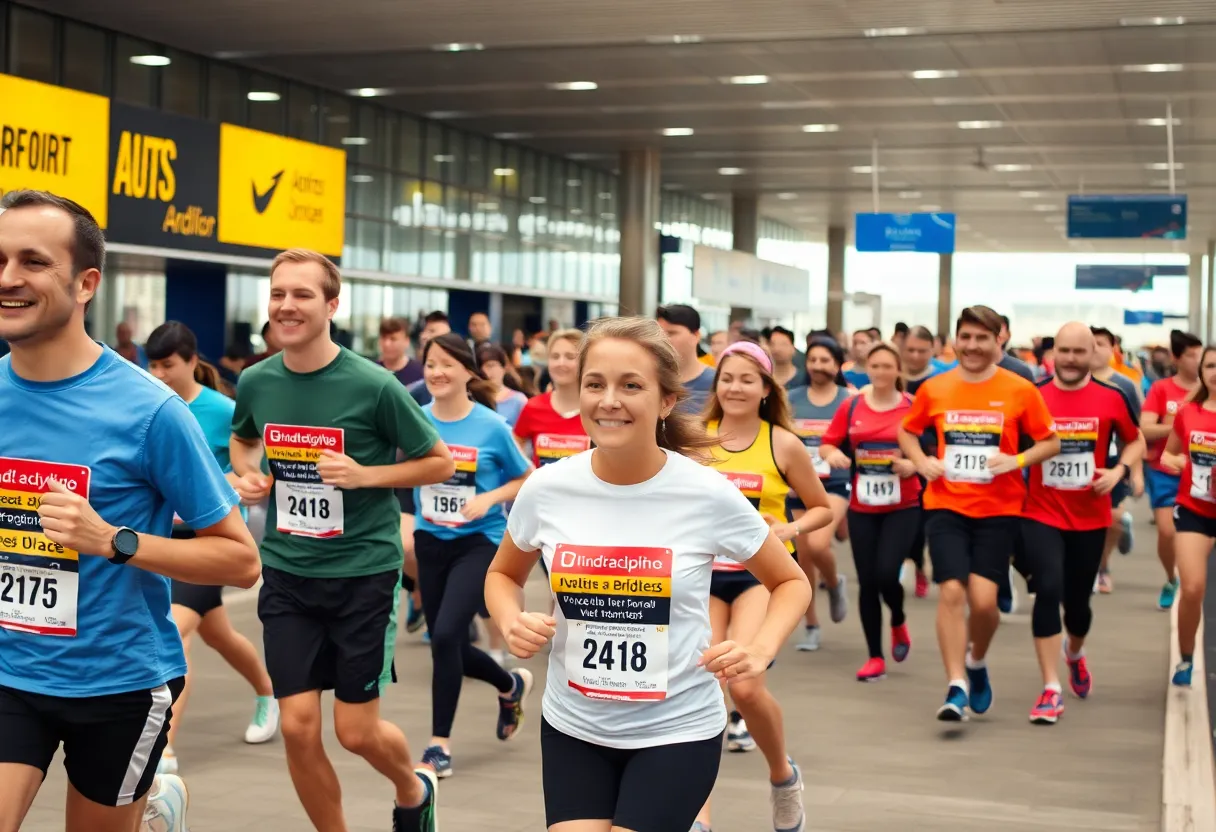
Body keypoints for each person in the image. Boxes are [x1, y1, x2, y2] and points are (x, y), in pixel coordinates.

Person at [485, 317, 812, 832]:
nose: (609, 400)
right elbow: (503, 574)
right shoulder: (547, 488)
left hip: (676, 730)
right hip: (574, 727)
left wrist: (761, 648)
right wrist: (509, 620)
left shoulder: (705, 492)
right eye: (596, 384)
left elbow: (791, 581)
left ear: (664, 400)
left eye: (631, 385)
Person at [0, 189, 260, 832]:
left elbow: (240, 560)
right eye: (0, 259)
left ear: (86, 282)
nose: (9, 278)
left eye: (33, 261)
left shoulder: (150, 411)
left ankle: (153, 814)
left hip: (117, 683)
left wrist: (112, 539)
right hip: (11, 671)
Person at [228, 248, 455, 831]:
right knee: (300, 726)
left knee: (354, 732)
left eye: (302, 294)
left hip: (363, 575)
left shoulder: (373, 385)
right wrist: (249, 475)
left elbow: (439, 462)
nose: (287, 305)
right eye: (278, 293)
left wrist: (367, 475)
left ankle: (412, 788)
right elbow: (245, 438)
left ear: (332, 304)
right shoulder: (257, 380)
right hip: (287, 571)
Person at [691, 339, 830, 832]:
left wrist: (788, 530)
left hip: (761, 578)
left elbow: (821, 507)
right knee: (699, 686)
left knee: (745, 686)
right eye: (727, 377)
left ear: (766, 388)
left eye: (747, 379)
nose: (734, 387)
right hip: (701, 578)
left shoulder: (782, 443)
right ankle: (698, 815)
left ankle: (782, 775)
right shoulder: (691, 437)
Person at [898, 305, 1059, 722]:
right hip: (945, 504)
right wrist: (921, 460)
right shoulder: (936, 387)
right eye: (965, 337)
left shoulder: (1019, 388)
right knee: (951, 590)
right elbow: (907, 430)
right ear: (954, 340)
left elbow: (1051, 442)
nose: (972, 346)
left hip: (999, 508)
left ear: (997, 341)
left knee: (985, 604)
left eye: (981, 338)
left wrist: (1017, 460)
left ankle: (976, 659)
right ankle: (956, 686)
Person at [144, 321, 279, 776]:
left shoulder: (223, 409)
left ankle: (164, 751)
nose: (159, 373)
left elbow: (249, 461)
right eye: (154, 364)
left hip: (214, 544)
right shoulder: (147, 406)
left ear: (191, 361)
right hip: (163, 542)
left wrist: (242, 481)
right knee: (219, 634)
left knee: (176, 632)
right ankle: (268, 690)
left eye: (168, 364)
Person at [412, 333, 534, 777]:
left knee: (445, 637)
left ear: (468, 371)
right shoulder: (417, 420)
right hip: (431, 541)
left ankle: (437, 745)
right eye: (429, 364)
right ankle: (509, 684)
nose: (436, 373)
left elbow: (527, 477)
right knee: (451, 644)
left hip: (479, 541)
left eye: (446, 364)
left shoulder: (491, 426)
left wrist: (490, 499)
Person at [1021, 323, 1144, 723]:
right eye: (1064, 351)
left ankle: (1074, 652)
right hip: (1041, 511)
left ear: (1094, 353)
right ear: (1052, 353)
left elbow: (1136, 439)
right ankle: (1050, 688)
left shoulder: (1112, 397)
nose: (1071, 359)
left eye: (1079, 351)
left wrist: (1119, 470)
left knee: (1078, 607)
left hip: (1090, 515)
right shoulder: (1033, 396)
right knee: (1048, 589)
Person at [820, 342, 921, 682]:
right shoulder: (852, 407)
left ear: (898, 370)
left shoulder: (913, 407)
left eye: (886, 366)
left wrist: (912, 463)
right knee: (868, 582)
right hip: (862, 505)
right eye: (874, 367)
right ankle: (875, 656)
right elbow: (828, 441)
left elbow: (933, 448)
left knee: (885, 575)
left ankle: (898, 618)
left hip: (902, 505)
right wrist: (832, 454)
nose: (880, 372)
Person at [786, 337, 851, 651]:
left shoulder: (848, 400)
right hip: (797, 486)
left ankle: (835, 583)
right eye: (813, 360)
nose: (818, 367)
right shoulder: (790, 399)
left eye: (825, 360)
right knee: (802, 557)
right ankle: (811, 623)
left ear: (837, 364)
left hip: (836, 483)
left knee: (818, 542)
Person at [1160, 344, 1216, 688]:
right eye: (1210, 365)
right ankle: (1184, 657)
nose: (1215, 372)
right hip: (1194, 508)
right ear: (1202, 372)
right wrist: (1184, 464)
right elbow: (1168, 456)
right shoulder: (1188, 413)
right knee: (1193, 587)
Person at [1141, 329, 1202, 612]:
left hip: (1201, 474)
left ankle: (1192, 580)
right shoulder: (1162, 389)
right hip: (1164, 470)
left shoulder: (1209, 391)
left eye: (1201, 355)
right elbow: (1146, 428)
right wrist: (1176, 424)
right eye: (1191, 355)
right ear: (1177, 358)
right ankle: (1170, 578)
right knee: (1167, 532)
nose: (1198, 361)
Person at [1090, 327, 1144, 593]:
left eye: (1101, 344)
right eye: (1091, 343)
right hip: (1077, 463)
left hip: (1113, 463)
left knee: (1110, 518)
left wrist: (1136, 473)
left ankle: (1102, 567)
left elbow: (1134, 434)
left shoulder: (1125, 386)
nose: (1095, 349)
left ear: (1112, 349)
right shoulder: (1067, 379)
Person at [514, 328, 589, 468]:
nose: (561, 363)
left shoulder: (597, 409)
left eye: (570, 357)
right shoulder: (533, 407)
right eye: (555, 356)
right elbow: (513, 455)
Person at [656, 304, 716, 414]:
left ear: (696, 335)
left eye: (671, 333)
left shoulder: (717, 382)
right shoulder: (651, 379)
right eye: (659, 334)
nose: (663, 339)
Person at [478, 342, 530, 427]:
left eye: (491, 366)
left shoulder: (519, 400)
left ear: (504, 368)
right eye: (481, 367)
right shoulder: (472, 399)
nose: (485, 372)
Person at [378, 316, 424, 387]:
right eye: (383, 338)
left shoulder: (420, 373)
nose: (386, 344)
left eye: (393, 339)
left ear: (406, 341)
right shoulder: (371, 371)